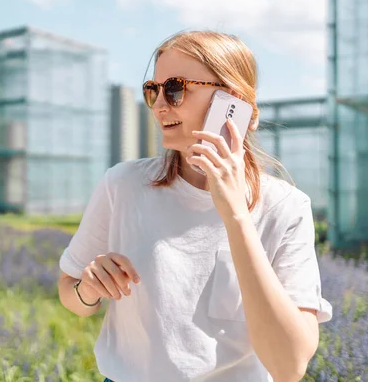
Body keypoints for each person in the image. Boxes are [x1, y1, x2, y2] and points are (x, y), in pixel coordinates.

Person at [57, 30, 333, 382]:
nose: (159, 105)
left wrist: (235, 216)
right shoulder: (123, 185)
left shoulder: (286, 207)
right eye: (152, 90)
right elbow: (71, 293)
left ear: (233, 102)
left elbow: (289, 367)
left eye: (174, 88)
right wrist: (89, 289)